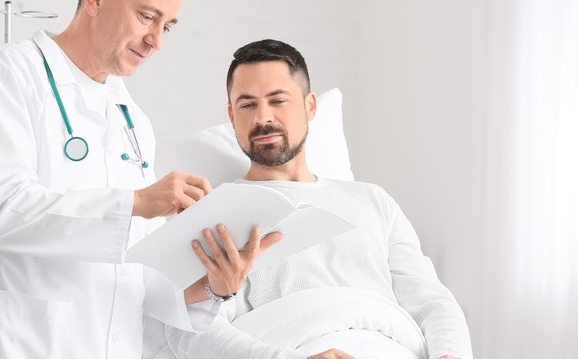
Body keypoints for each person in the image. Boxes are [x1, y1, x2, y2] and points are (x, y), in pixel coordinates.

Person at [0, 0, 280, 359]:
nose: (156, 41)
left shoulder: (131, 119)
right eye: (146, 16)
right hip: (15, 343)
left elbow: (139, 280)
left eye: (167, 26)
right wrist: (136, 201)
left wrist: (215, 286)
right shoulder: (7, 76)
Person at [163, 39, 473, 359]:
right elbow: (189, 331)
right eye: (247, 104)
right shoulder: (211, 219)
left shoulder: (373, 201)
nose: (262, 117)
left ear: (310, 106)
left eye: (277, 100)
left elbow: (433, 301)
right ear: (232, 115)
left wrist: (450, 355)